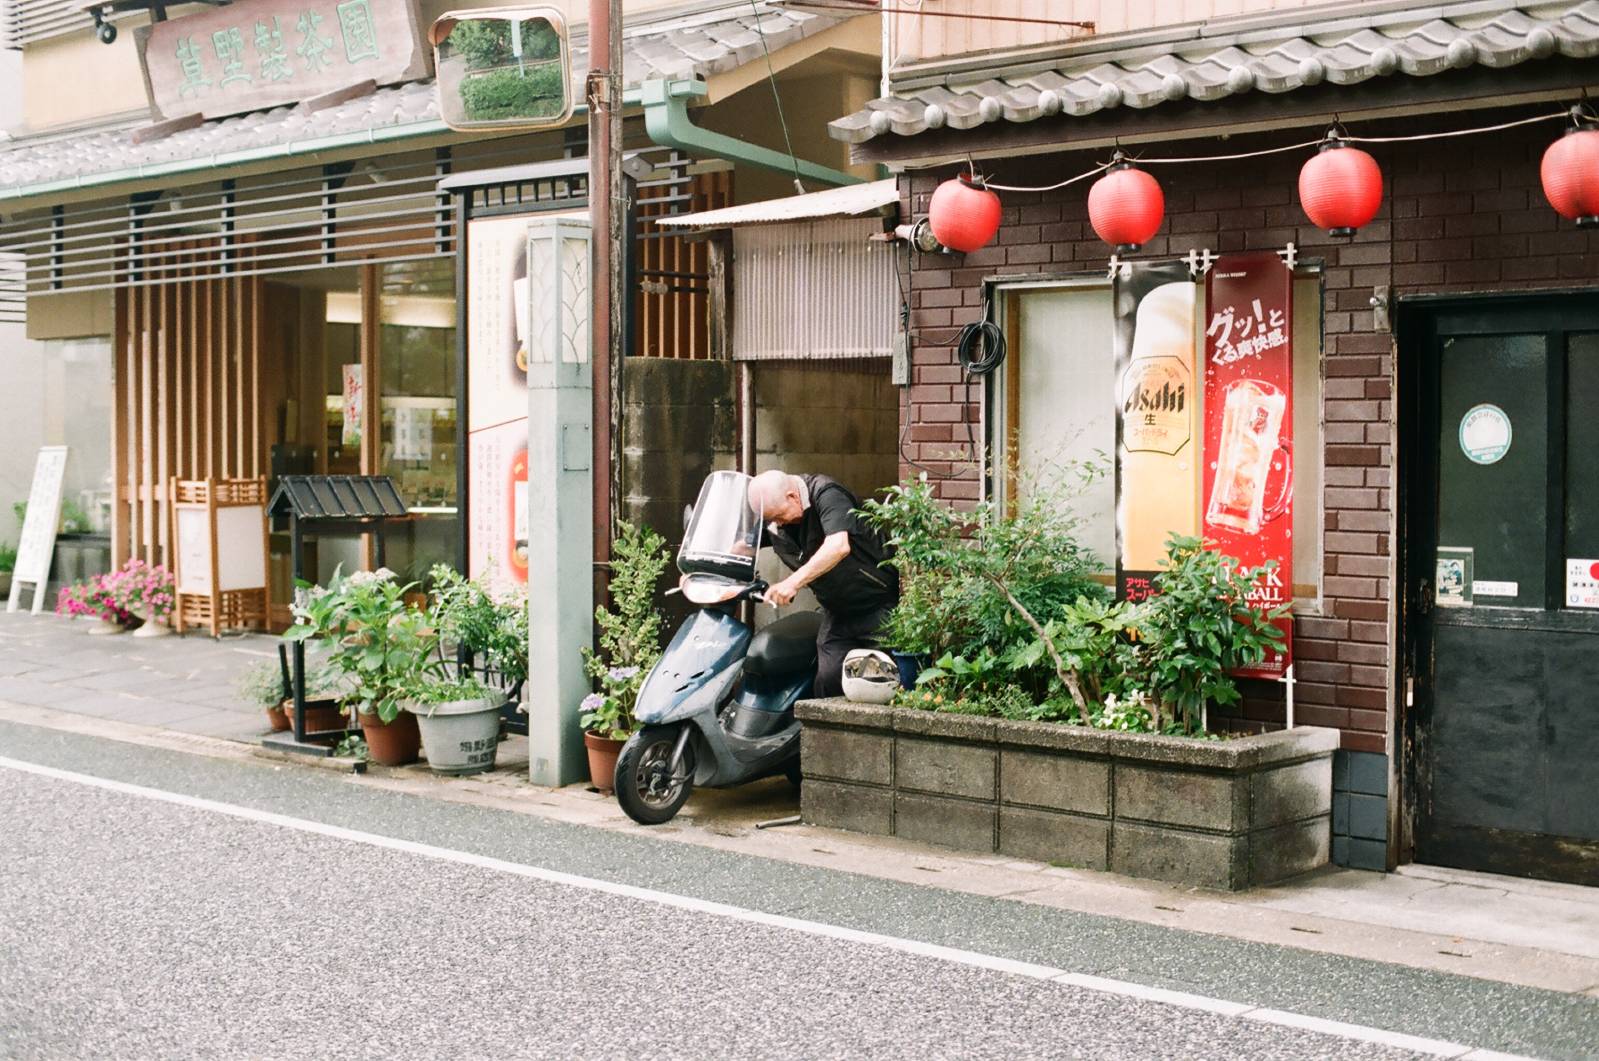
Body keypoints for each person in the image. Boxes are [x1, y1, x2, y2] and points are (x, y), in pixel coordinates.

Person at [746, 470, 899, 698]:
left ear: (792, 497)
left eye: (779, 516)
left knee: (885, 681)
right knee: (828, 680)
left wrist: (792, 583)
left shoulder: (827, 493)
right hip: (838, 611)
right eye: (771, 519)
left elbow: (838, 546)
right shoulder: (775, 517)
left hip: (880, 603)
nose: (776, 524)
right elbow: (742, 546)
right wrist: (700, 571)